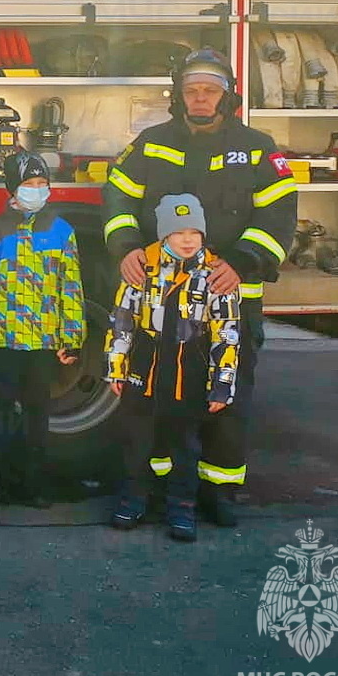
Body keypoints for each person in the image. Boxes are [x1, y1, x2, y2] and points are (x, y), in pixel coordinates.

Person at [101, 48, 296, 526]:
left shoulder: (256, 147)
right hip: (160, 303)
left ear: (227, 96)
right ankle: (163, 491)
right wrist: (126, 247)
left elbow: (279, 215)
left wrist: (244, 263)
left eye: (210, 91)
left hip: (229, 302)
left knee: (226, 396)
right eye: (192, 90)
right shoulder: (152, 143)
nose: (201, 99)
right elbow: (118, 194)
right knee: (160, 397)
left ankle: (221, 491)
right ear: (179, 95)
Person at [106, 194, 241, 543]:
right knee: (137, 440)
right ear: (164, 234)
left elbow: (226, 334)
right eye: (178, 232)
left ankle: (181, 508)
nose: (187, 240)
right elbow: (122, 321)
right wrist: (117, 368)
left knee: (186, 446)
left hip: (189, 373)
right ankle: (133, 501)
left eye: (194, 233)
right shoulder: (143, 268)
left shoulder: (215, 276)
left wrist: (222, 384)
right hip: (145, 371)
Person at [0, 152, 83, 508]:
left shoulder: (61, 231)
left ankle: (35, 483)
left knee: (37, 414)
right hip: (4, 341)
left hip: (44, 343)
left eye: (42, 184)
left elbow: (71, 288)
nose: (37, 190)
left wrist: (72, 338)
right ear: (12, 188)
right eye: (29, 184)